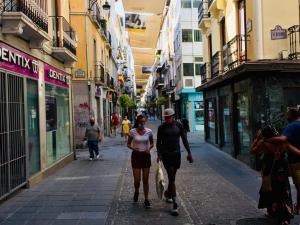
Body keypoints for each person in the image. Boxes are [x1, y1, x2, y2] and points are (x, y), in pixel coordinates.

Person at [250, 125, 295, 225]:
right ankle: (285, 216)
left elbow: (252, 151)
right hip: (282, 169)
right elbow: (295, 151)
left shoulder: (264, 143)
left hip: (270, 169)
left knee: (270, 190)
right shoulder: (283, 142)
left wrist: (257, 139)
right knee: (284, 190)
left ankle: (274, 212)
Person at [156, 108, 193, 216]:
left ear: (173, 116)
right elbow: (158, 142)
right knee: (171, 177)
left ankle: (167, 193)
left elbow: (184, 139)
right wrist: (159, 154)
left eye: (168, 117)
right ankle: (175, 204)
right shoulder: (161, 127)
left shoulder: (178, 125)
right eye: (165, 117)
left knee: (173, 178)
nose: (166, 119)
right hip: (166, 155)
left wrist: (189, 153)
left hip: (177, 154)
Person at [266, 108, 300, 214]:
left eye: (287, 114)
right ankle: (298, 207)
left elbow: (282, 139)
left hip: (296, 161)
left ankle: (298, 207)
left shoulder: (292, 126)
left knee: (299, 186)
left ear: (291, 116)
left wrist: (266, 139)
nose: (286, 116)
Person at [127, 115, 154, 209]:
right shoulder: (132, 131)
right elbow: (128, 144)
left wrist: (149, 148)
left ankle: (146, 199)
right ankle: (137, 191)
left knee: (145, 179)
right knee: (137, 180)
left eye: (144, 122)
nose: (142, 123)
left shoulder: (149, 131)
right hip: (136, 156)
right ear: (137, 122)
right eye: (140, 122)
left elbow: (152, 143)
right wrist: (133, 148)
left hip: (146, 156)